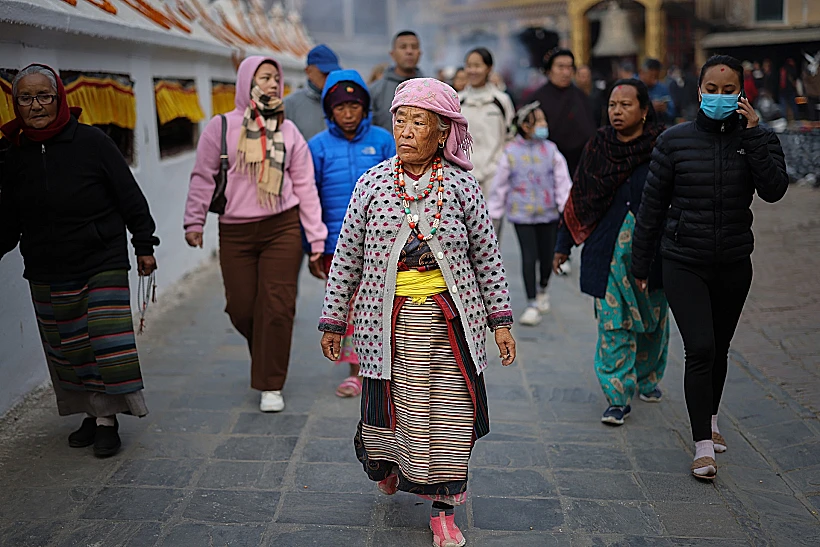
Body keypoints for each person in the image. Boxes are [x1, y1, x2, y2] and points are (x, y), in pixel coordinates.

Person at [319, 78, 515, 547]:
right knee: (390, 414)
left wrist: (501, 322)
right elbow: (347, 256)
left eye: (418, 122)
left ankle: (445, 510)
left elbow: (487, 257)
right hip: (385, 326)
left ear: (443, 132)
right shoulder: (372, 184)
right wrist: (333, 320)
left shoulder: (464, 189)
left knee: (450, 417)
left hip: (450, 325)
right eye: (400, 120)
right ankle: (389, 467)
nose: (405, 131)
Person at [631, 55, 789, 480]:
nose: (719, 97)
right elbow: (652, 207)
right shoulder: (674, 141)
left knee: (718, 346)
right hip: (684, 260)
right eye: (712, 89)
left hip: (734, 262)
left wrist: (755, 135)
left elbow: (774, 190)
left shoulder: (758, 137)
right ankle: (703, 444)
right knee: (699, 347)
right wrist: (640, 263)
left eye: (728, 90)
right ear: (699, 90)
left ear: (742, 92)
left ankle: (711, 418)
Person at [0, 64, 159, 458]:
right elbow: (8, 216)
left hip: (100, 258)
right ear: (14, 102)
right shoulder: (12, 153)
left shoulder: (93, 142)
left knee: (105, 342)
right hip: (46, 264)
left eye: (44, 96)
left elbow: (129, 195)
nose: (36, 105)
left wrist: (144, 245)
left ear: (60, 98)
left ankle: (108, 420)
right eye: (26, 97)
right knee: (68, 349)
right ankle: (92, 411)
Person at [185, 56, 327, 413]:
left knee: (277, 307)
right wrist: (194, 221)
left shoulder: (288, 131)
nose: (271, 85)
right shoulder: (219, 128)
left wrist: (316, 239)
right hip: (235, 231)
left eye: (275, 79)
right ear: (246, 82)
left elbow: (305, 186)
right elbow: (203, 177)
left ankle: (270, 383)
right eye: (264, 78)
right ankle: (268, 350)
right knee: (242, 307)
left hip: (282, 227)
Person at [552, 79, 668, 427]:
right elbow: (581, 197)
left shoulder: (663, 147)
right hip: (608, 254)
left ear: (645, 111)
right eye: (613, 105)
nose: (617, 111)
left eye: (626, 105)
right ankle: (617, 395)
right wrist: (563, 245)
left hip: (654, 255)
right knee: (613, 324)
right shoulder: (600, 146)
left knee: (652, 322)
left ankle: (647, 379)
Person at [308, 69, 394, 397]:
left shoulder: (383, 141)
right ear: (329, 110)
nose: (348, 113)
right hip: (335, 244)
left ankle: (386, 365)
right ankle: (357, 371)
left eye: (354, 106)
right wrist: (313, 245)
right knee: (349, 307)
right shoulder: (317, 147)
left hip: (382, 243)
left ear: (365, 108)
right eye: (340, 107)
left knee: (380, 304)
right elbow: (310, 196)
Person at [488, 102, 572, 326]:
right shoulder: (511, 153)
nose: (545, 125)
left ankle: (543, 287)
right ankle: (532, 303)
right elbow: (500, 186)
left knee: (547, 257)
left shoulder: (551, 150)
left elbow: (562, 181)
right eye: (539, 121)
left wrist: (566, 208)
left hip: (549, 213)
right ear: (525, 126)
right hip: (521, 214)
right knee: (529, 256)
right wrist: (493, 213)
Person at [526, 48, 596, 178]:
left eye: (569, 67)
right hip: (546, 168)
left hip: (580, 168)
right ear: (549, 70)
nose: (566, 72)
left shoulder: (581, 97)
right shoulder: (536, 100)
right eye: (560, 67)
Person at [459, 47, 514, 198]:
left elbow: (510, 137)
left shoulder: (501, 101)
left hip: (495, 174)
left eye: (477, 66)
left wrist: (501, 164)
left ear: (489, 68)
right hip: (465, 174)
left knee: (493, 220)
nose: (472, 70)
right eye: (469, 66)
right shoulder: (458, 101)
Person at [284, 44, 342, 141]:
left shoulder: (345, 102)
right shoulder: (290, 105)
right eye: (325, 73)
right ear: (308, 71)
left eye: (334, 73)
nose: (329, 77)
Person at [370, 30, 423, 130]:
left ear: (420, 53)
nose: (409, 51)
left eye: (414, 47)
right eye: (403, 47)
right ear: (392, 54)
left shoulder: (431, 90)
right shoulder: (375, 91)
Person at [640, 58, 677, 125]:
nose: (654, 80)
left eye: (656, 77)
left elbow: (672, 111)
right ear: (642, 73)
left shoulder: (662, 88)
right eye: (651, 76)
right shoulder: (633, 88)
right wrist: (650, 108)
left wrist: (665, 109)